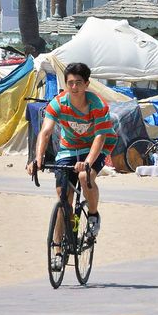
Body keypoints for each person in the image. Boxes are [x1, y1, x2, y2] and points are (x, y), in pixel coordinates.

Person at [27, 62, 119, 272]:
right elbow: (45, 132)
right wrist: (38, 158)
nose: (74, 87)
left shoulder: (98, 105)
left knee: (86, 177)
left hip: (97, 147)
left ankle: (93, 215)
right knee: (62, 197)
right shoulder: (58, 103)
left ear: (87, 84)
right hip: (69, 148)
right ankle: (58, 251)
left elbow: (100, 136)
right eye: (70, 83)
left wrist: (87, 163)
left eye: (79, 83)